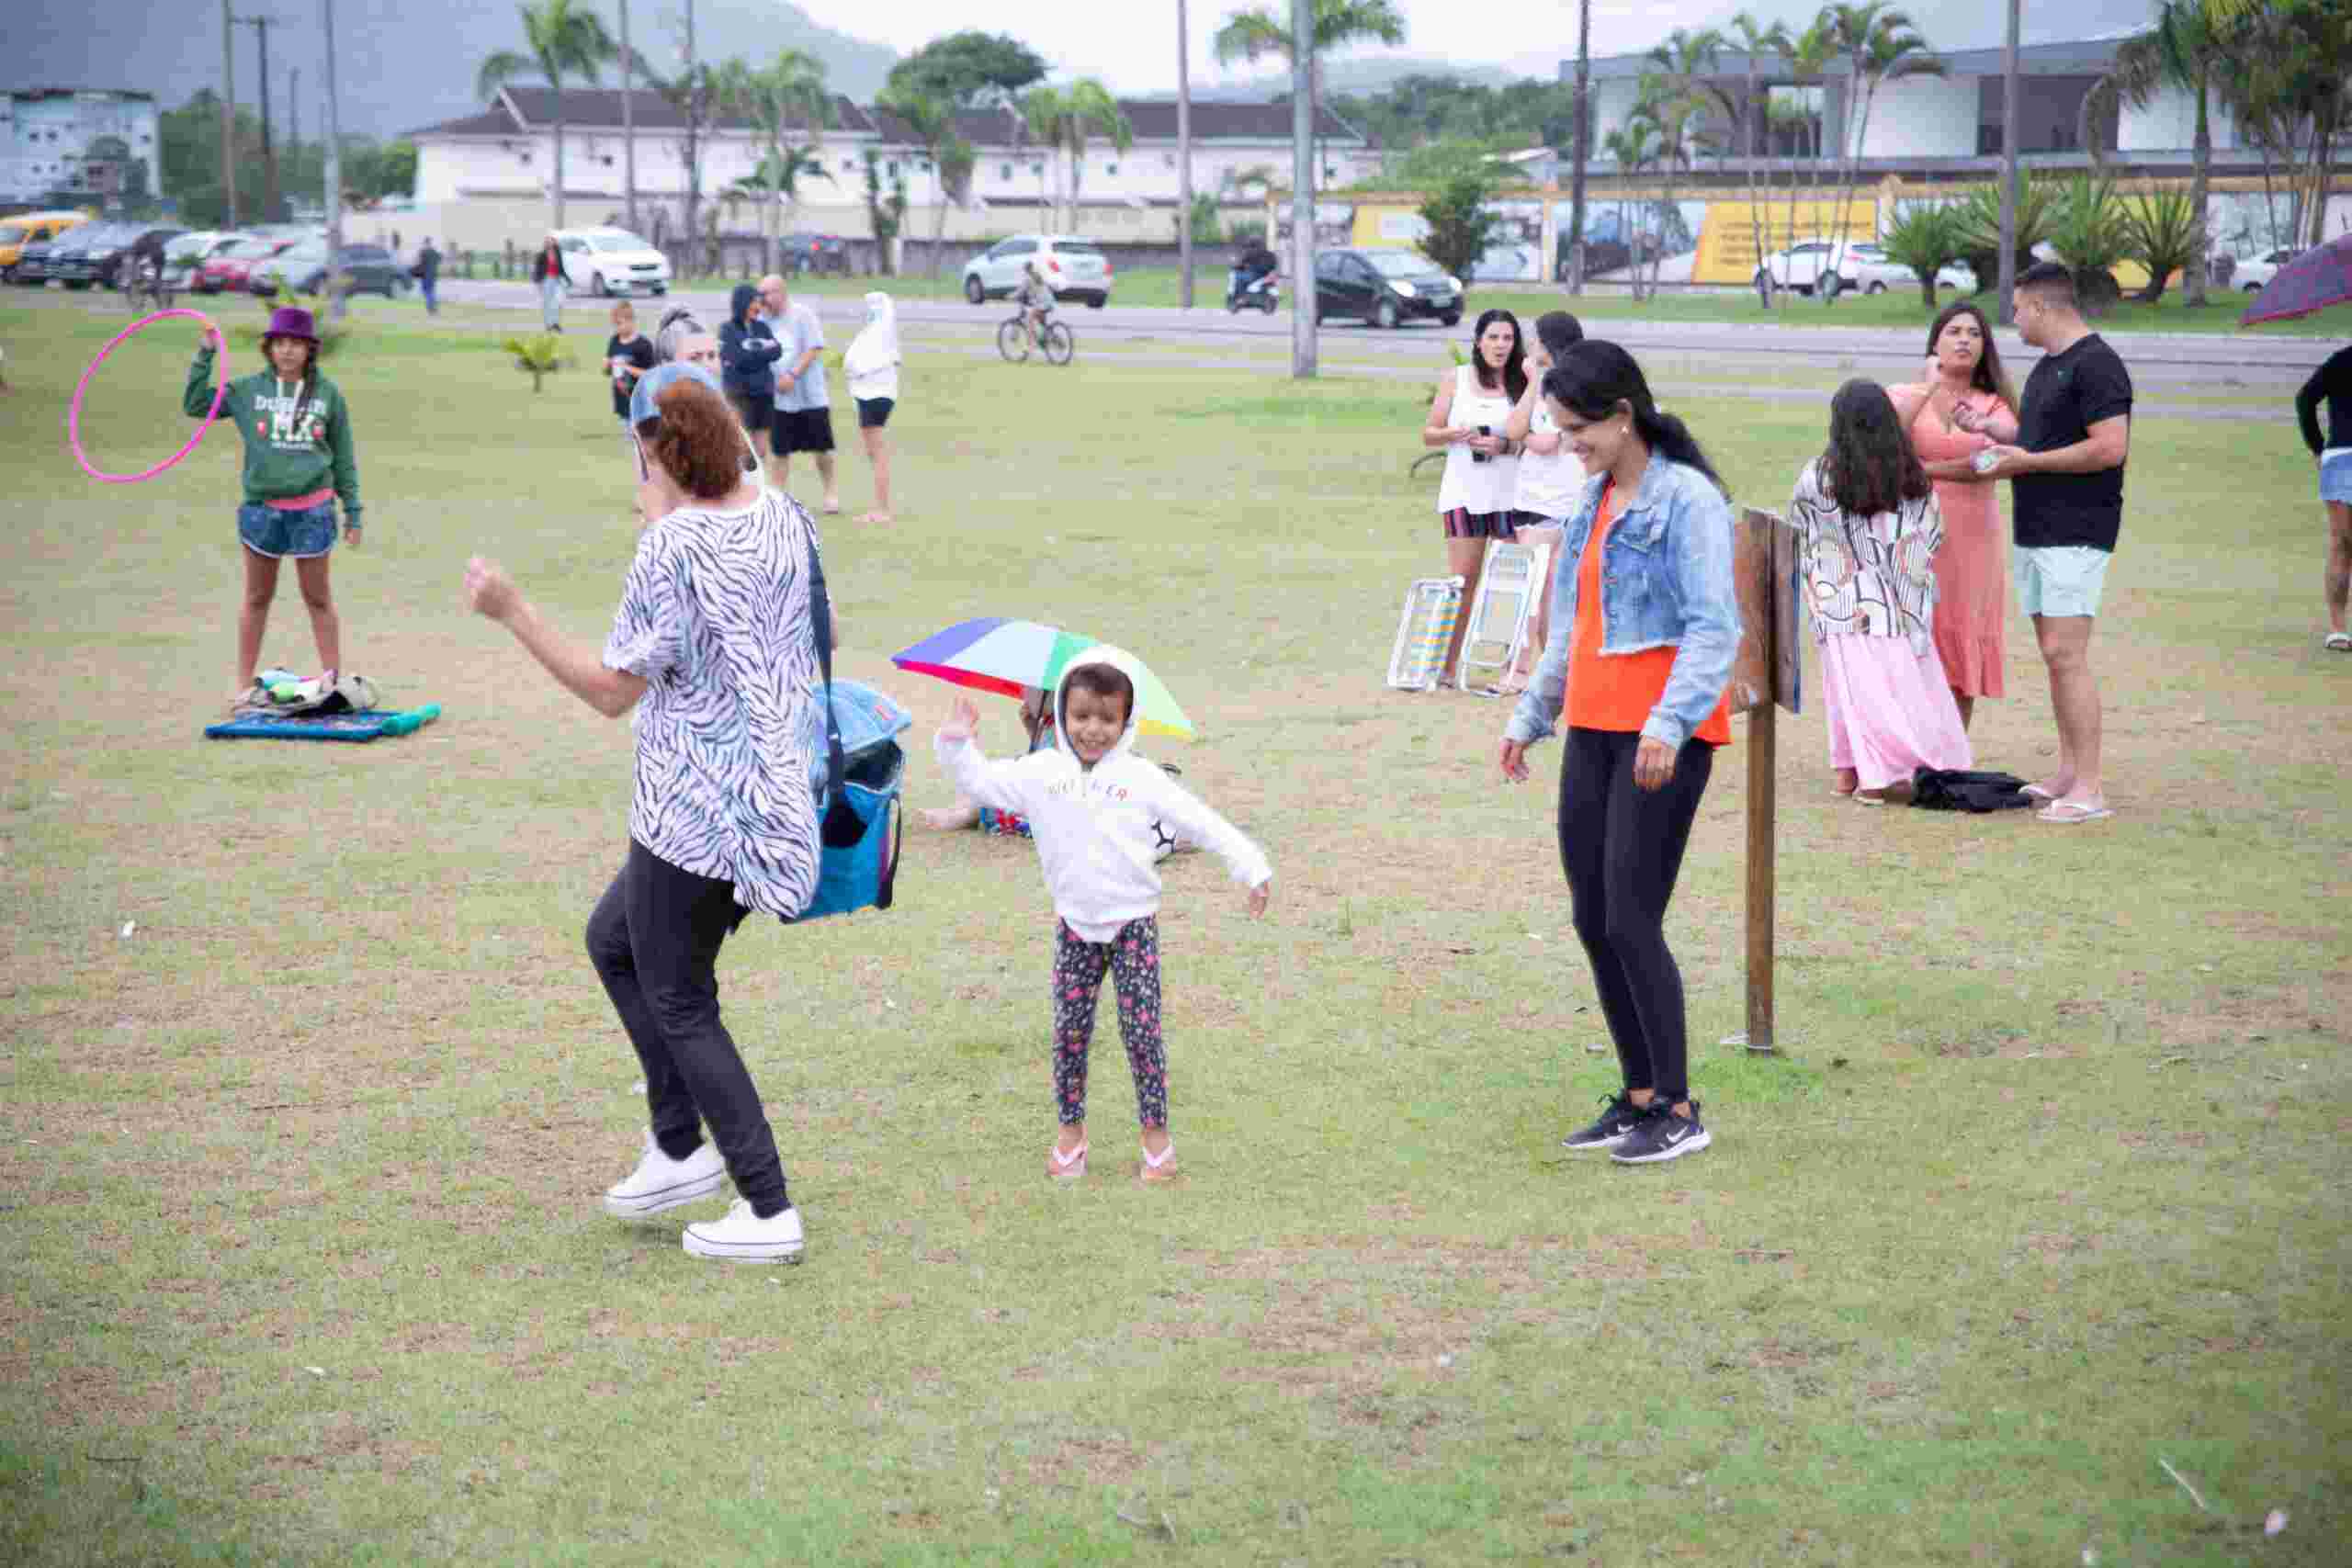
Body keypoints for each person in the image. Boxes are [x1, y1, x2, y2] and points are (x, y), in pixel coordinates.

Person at [459, 362, 820, 1265]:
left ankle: (767, 1207)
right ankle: (675, 1145)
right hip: (773, 796)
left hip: (694, 813)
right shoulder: (782, 512)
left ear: (654, 451)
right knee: (614, 942)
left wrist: (513, 610)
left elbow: (609, 692)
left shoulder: (671, 550)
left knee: (680, 999)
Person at [1498, 339, 1737, 1166]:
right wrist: (1531, 715)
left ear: (1624, 414)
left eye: (1578, 430)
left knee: (1634, 916)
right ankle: (1637, 1097)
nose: (1570, 446)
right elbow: (1572, 629)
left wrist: (1668, 726)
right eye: (1561, 432)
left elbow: (1715, 629)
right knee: (1593, 917)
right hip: (1594, 731)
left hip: (1661, 739)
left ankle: (1679, 1106)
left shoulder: (1689, 500)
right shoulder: (1592, 500)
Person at [935, 650, 1272, 1184]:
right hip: (1075, 926)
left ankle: (1156, 1141)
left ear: (1127, 721)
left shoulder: (1142, 777)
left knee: (1142, 1035)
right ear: (1062, 716)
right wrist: (957, 744)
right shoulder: (1041, 772)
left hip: (1133, 926)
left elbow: (1201, 822)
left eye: (1107, 718)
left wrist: (1250, 866)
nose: (1093, 729)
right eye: (1081, 715)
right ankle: (1071, 1139)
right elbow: (983, 783)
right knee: (1069, 1033)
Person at [1974, 261, 2133, 825]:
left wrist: (2030, 460)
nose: (2013, 320)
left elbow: (2109, 447)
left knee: (2068, 654)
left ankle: (2089, 789)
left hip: (2077, 531)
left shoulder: (2098, 365)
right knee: (2052, 657)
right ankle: (2067, 772)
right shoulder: (2048, 367)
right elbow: (2043, 438)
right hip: (2036, 529)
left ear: (2042, 307)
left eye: (2016, 309)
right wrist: (2005, 435)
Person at [1790, 379, 1973, 802]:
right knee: (1890, 691)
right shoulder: (1911, 480)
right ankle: (1873, 772)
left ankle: (1859, 774)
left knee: (1848, 692)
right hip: (1894, 605)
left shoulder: (1816, 477)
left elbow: (1803, 535)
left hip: (1839, 605)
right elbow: (1927, 538)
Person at [182, 305, 364, 709]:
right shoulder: (248, 391)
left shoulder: (328, 394)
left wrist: (353, 512)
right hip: (262, 512)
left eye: (295, 344)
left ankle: (331, 683)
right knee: (256, 599)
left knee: (318, 598)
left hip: (313, 512)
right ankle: (244, 687)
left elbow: (344, 457)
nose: (286, 351)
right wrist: (205, 353)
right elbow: (195, 404)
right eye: (279, 343)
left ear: (309, 349)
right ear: (269, 348)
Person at [1888, 302, 2019, 730]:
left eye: (1974, 333)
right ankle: (1907, 751)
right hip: (1913, 537)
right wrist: (1929, 387)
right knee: (1912, 639)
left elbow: (1995, 464)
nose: (1964, 339)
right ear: (1935, 344)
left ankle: (1951, 752)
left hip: (1973, 538)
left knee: (1961, 636)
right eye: (1954, 331)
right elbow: (1888, 454)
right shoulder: (1907, 395)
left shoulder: (1996, 406)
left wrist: (1925, 470)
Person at [1423, 310, 1528, 689]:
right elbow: (1429, 432)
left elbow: (1534, 435)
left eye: (1508, 339)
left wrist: (1505, 444)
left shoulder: (1523, 382)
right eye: (1494, 337)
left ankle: (1511, 670)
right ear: (1479, 340)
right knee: (1463, 580)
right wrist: (1456, 433)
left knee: (1510, 582)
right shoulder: (1457, 378)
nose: (1501, 345)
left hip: (1509, 495)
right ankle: (1446, 668)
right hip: (1464, 494)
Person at [1500, 310, 1586, 694]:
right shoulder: (1538, 384)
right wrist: (1533, 381)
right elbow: (1516, 429)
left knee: (1553, 590)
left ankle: (1544, 670)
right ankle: (1524, 669)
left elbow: (1550, 441)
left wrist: (1531, 440)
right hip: (1532, 498)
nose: (1530, 346)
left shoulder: (1573, 385)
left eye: (1536, 339)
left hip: (1565, 501)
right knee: (1532, 586)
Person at [922, 687, 1054, 834]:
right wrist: (1033, 728)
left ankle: (965, 816)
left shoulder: (1062, 727)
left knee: (997, 793)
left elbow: (1045, 776)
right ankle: (961, 807)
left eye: (1030, 689)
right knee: (999, 781)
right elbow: (1041, 758)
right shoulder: (1051, 722)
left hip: (1045, 808)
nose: (1023, 694)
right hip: (1038, 793)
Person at [2292, 341, 2352, 651]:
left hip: (2340, 456)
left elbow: (2305, 400)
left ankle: (2339, 629)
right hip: (2342, 457)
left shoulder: (2341, 360)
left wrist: (2318, 447)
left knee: (2342, 545)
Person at [767, 276, 838, 513]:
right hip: (781, 399)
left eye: (767, 294)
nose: (763, 299)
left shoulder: (802, 315)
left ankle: (830, 494)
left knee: (821, 448)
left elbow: (814, 347)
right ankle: (776, 499)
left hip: (810, 395)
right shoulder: (762, 319)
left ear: (781, 293)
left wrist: (793, 375)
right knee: (780, 451)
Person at [842, 289, 900, 524]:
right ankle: (880, 507)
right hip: (875, 392)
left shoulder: (880, 330)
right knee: (874, 452)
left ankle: (881, 509)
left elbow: (865, 362)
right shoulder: (880, 331)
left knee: (876, 452)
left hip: (874, 394)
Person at [718, 281, 781, 458]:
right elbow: (736, 359)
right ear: (743, 302)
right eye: (755, 301)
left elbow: (777, 351)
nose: (758, 306)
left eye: (759, 302)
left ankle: (760, 484)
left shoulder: (762, 327)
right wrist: (762, 352)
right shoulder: (727, 329)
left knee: (761, 450)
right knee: (742, 447)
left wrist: (751, 351)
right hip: (739, 394)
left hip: (763, 393)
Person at [605, 300, 654, 459]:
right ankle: (635, 459)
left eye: (620, 323)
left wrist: (627, 368)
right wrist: (607, 365)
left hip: (639, 398)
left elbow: (650, 374)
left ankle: (644, 460)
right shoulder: (614, 341)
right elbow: (608, 370)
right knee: (628, 433)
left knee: (639, 435)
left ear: (631, 321)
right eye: (615, 324)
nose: (617, 327)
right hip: (621, 396)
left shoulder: (644, 345)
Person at [532, 235, 570, 332]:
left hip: (557, 278)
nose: (550, 243)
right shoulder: (542, 255)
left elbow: (561, 268)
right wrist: (538, 282)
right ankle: (548, 325)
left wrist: (567, 279)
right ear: (545, 244)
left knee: (558, 302)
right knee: (547, 303)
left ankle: (556, 323)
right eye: (548, 241)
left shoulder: (557, 253)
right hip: (546, 279)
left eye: (552, 241)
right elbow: (537, 269)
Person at [1017, 261, 1057, 347]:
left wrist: (1010, 296)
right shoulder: (1038, 275)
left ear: (1026, 269)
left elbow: (1020, 292)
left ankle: (1030, 345)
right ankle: (1050, 339)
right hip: (1049, 302)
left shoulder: (1028, 278)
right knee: (1041, 322)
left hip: (1042, 303)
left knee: (1029, 319)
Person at [414, 237, 443, 316]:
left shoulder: (423, 252)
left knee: (427, 292)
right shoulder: (435, 252)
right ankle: (433, 308)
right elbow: (440, 260)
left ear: (425, 243)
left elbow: (419, 263)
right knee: (431, 291)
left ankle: (431, 309)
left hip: (425, 275)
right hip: (433, 275)